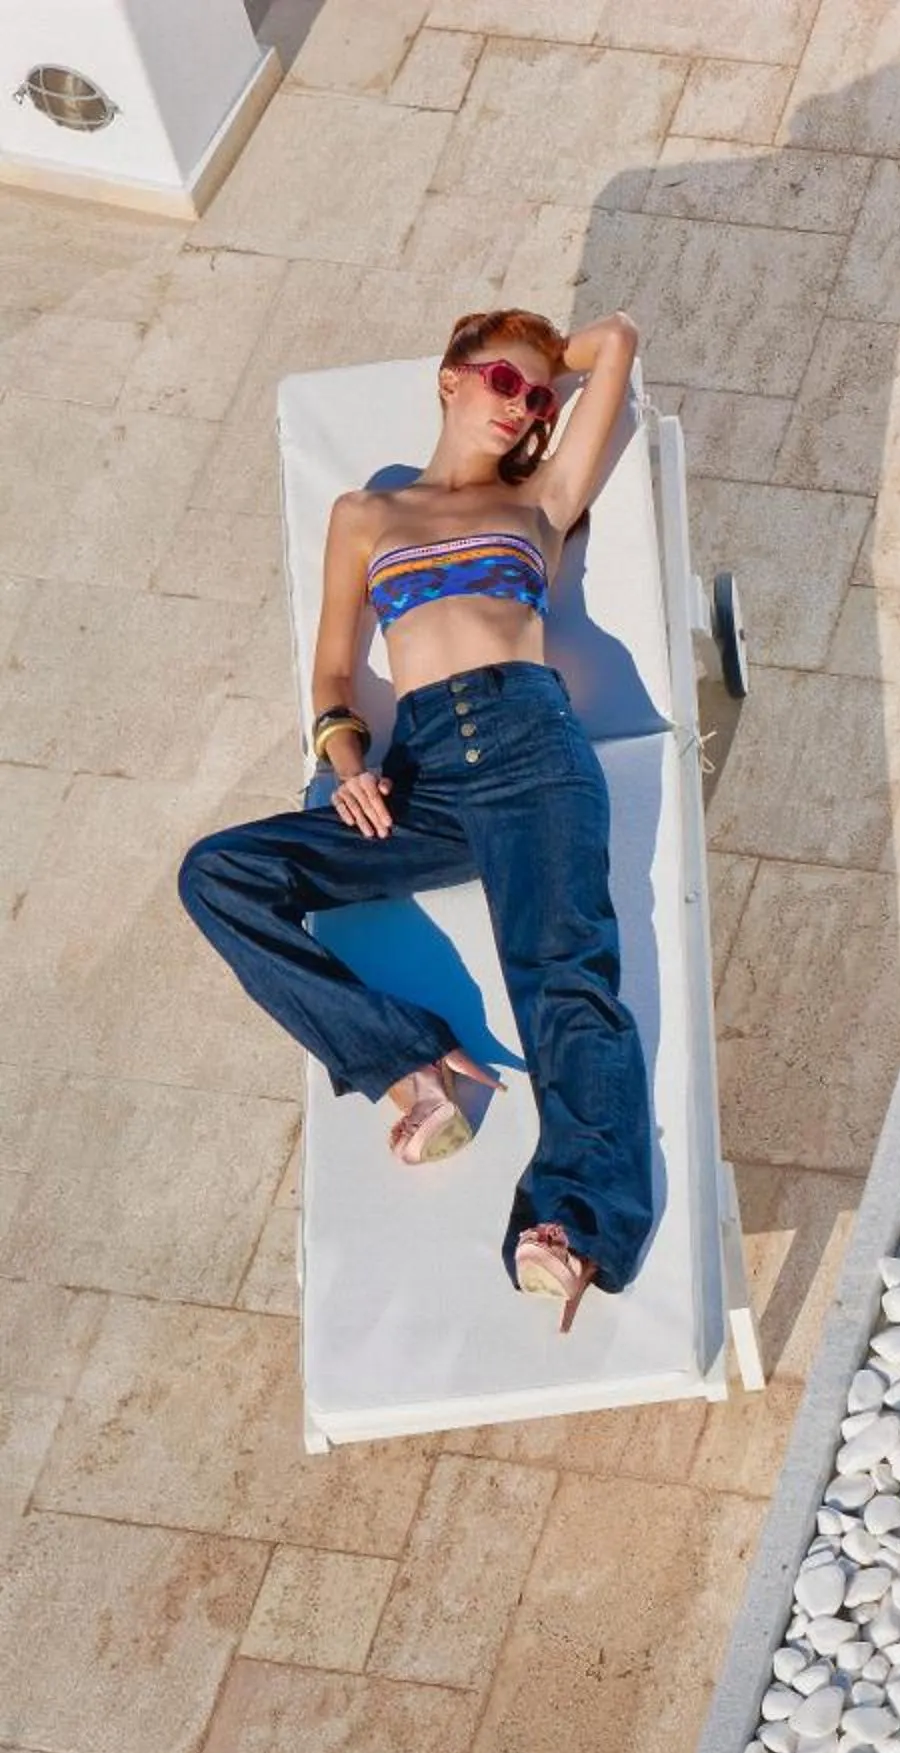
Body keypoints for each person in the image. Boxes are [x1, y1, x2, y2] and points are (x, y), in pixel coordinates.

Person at [179, 307, 651, 1333]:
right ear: (448, 378)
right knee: (217, 874)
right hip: (419, 774)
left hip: (533, 750)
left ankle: (570, 1222)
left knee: (566, 978)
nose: (519, 404)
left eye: (533, 397)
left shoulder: (538, 502)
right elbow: (335, 672)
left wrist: (552, 368)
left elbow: (615, 340)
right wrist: (346, 759)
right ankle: (404, 1057)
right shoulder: (365, 516)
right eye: (498, 381)